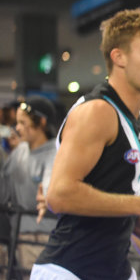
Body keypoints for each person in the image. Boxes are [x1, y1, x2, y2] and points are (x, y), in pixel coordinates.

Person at [31, 8, 140, 280]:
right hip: (69, 270)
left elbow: (107, 186)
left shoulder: (135, 118)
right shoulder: (97, 111)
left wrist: (135, 223)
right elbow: (60, 195)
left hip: (115, 269)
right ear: (119, 56)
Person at [1, 96, 58, 273]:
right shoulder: (20, 151)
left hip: (43, 239)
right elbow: (4, 193)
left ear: (41, 122)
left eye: (23, 123)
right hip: (17, 237)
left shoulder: (55, 154)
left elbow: (51, 196)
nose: (17, 128)